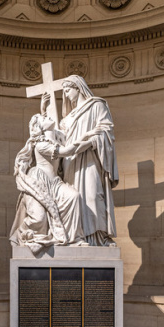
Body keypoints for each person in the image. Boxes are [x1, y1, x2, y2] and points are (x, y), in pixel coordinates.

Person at [42, 74, 119, 246]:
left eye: (68, 90)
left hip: (90, 158)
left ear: (78, 87)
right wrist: (44, 111)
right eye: (64, 91)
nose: (66, 94)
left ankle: (98, 238)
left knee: (92, 196)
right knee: (73, 199)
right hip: (70, 162)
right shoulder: (67, 118)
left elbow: (106, 130)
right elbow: (53, 136)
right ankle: (76, 237)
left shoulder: (97, 105)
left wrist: (88, 142)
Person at [9, 114, 85, 255]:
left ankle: (72, 238)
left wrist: (44, 108)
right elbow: (67, 151)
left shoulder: (56, 138)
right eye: (43, 118)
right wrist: (88, 140)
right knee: (39, 219)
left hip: (55, 182)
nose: (47, 117)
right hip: (39, 182)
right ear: (39, 127)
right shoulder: (41, 144)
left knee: (74, 196)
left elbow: (51, 120)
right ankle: (20, 234)